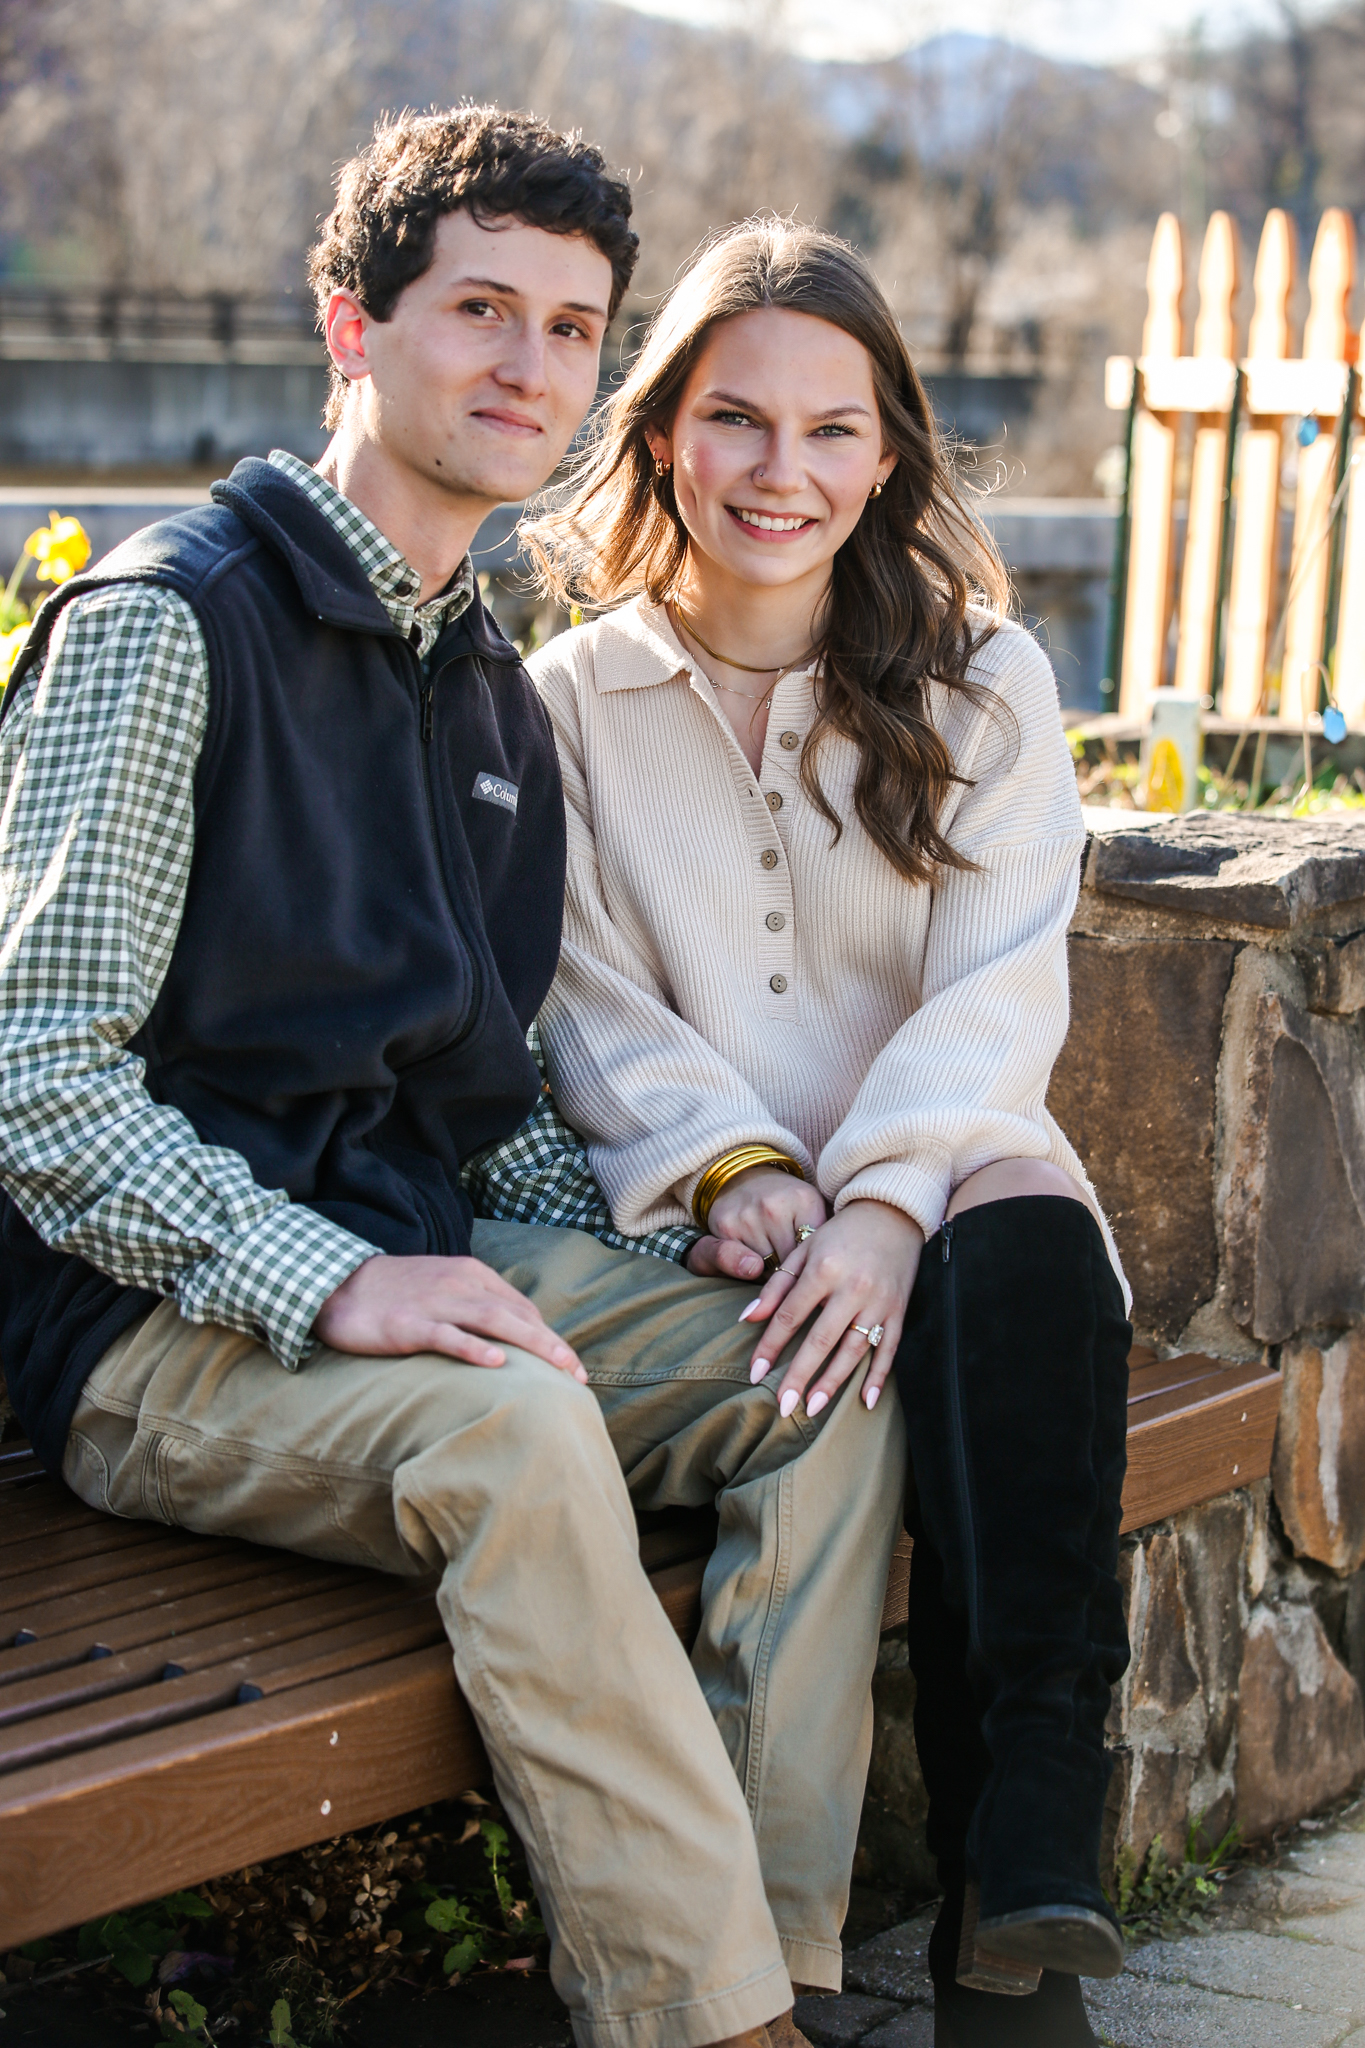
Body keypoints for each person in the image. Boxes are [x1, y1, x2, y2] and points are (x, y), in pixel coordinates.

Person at [0, 113, 907, 2048]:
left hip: (415, 1268)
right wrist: (330, 1278)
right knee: (509, 1435)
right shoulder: (168, 630)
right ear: (353, 327)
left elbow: (479, 1094)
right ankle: (707, 2026)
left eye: (574, 331)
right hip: (155, 1329)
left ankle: (779, 1974)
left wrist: (680, 1240)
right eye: (479, 310)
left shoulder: (488, 681)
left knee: (814, 1382)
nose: (530, 369)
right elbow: (35, 1088)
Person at [483, 217, 1132, 2048]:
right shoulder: (565, 706)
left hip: (963, 1168)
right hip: (733, 1216)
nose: (785, 473)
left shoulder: (982, 678)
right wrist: (757, 1174)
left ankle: (1025, 1842)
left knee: (1015, 1246)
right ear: (665, 433)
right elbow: (586, 996)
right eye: (738, 421)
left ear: (890, 450)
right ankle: (973, 1934)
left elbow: (1003, 988)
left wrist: (882, 1200)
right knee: (841, 1375)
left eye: (832, 429)